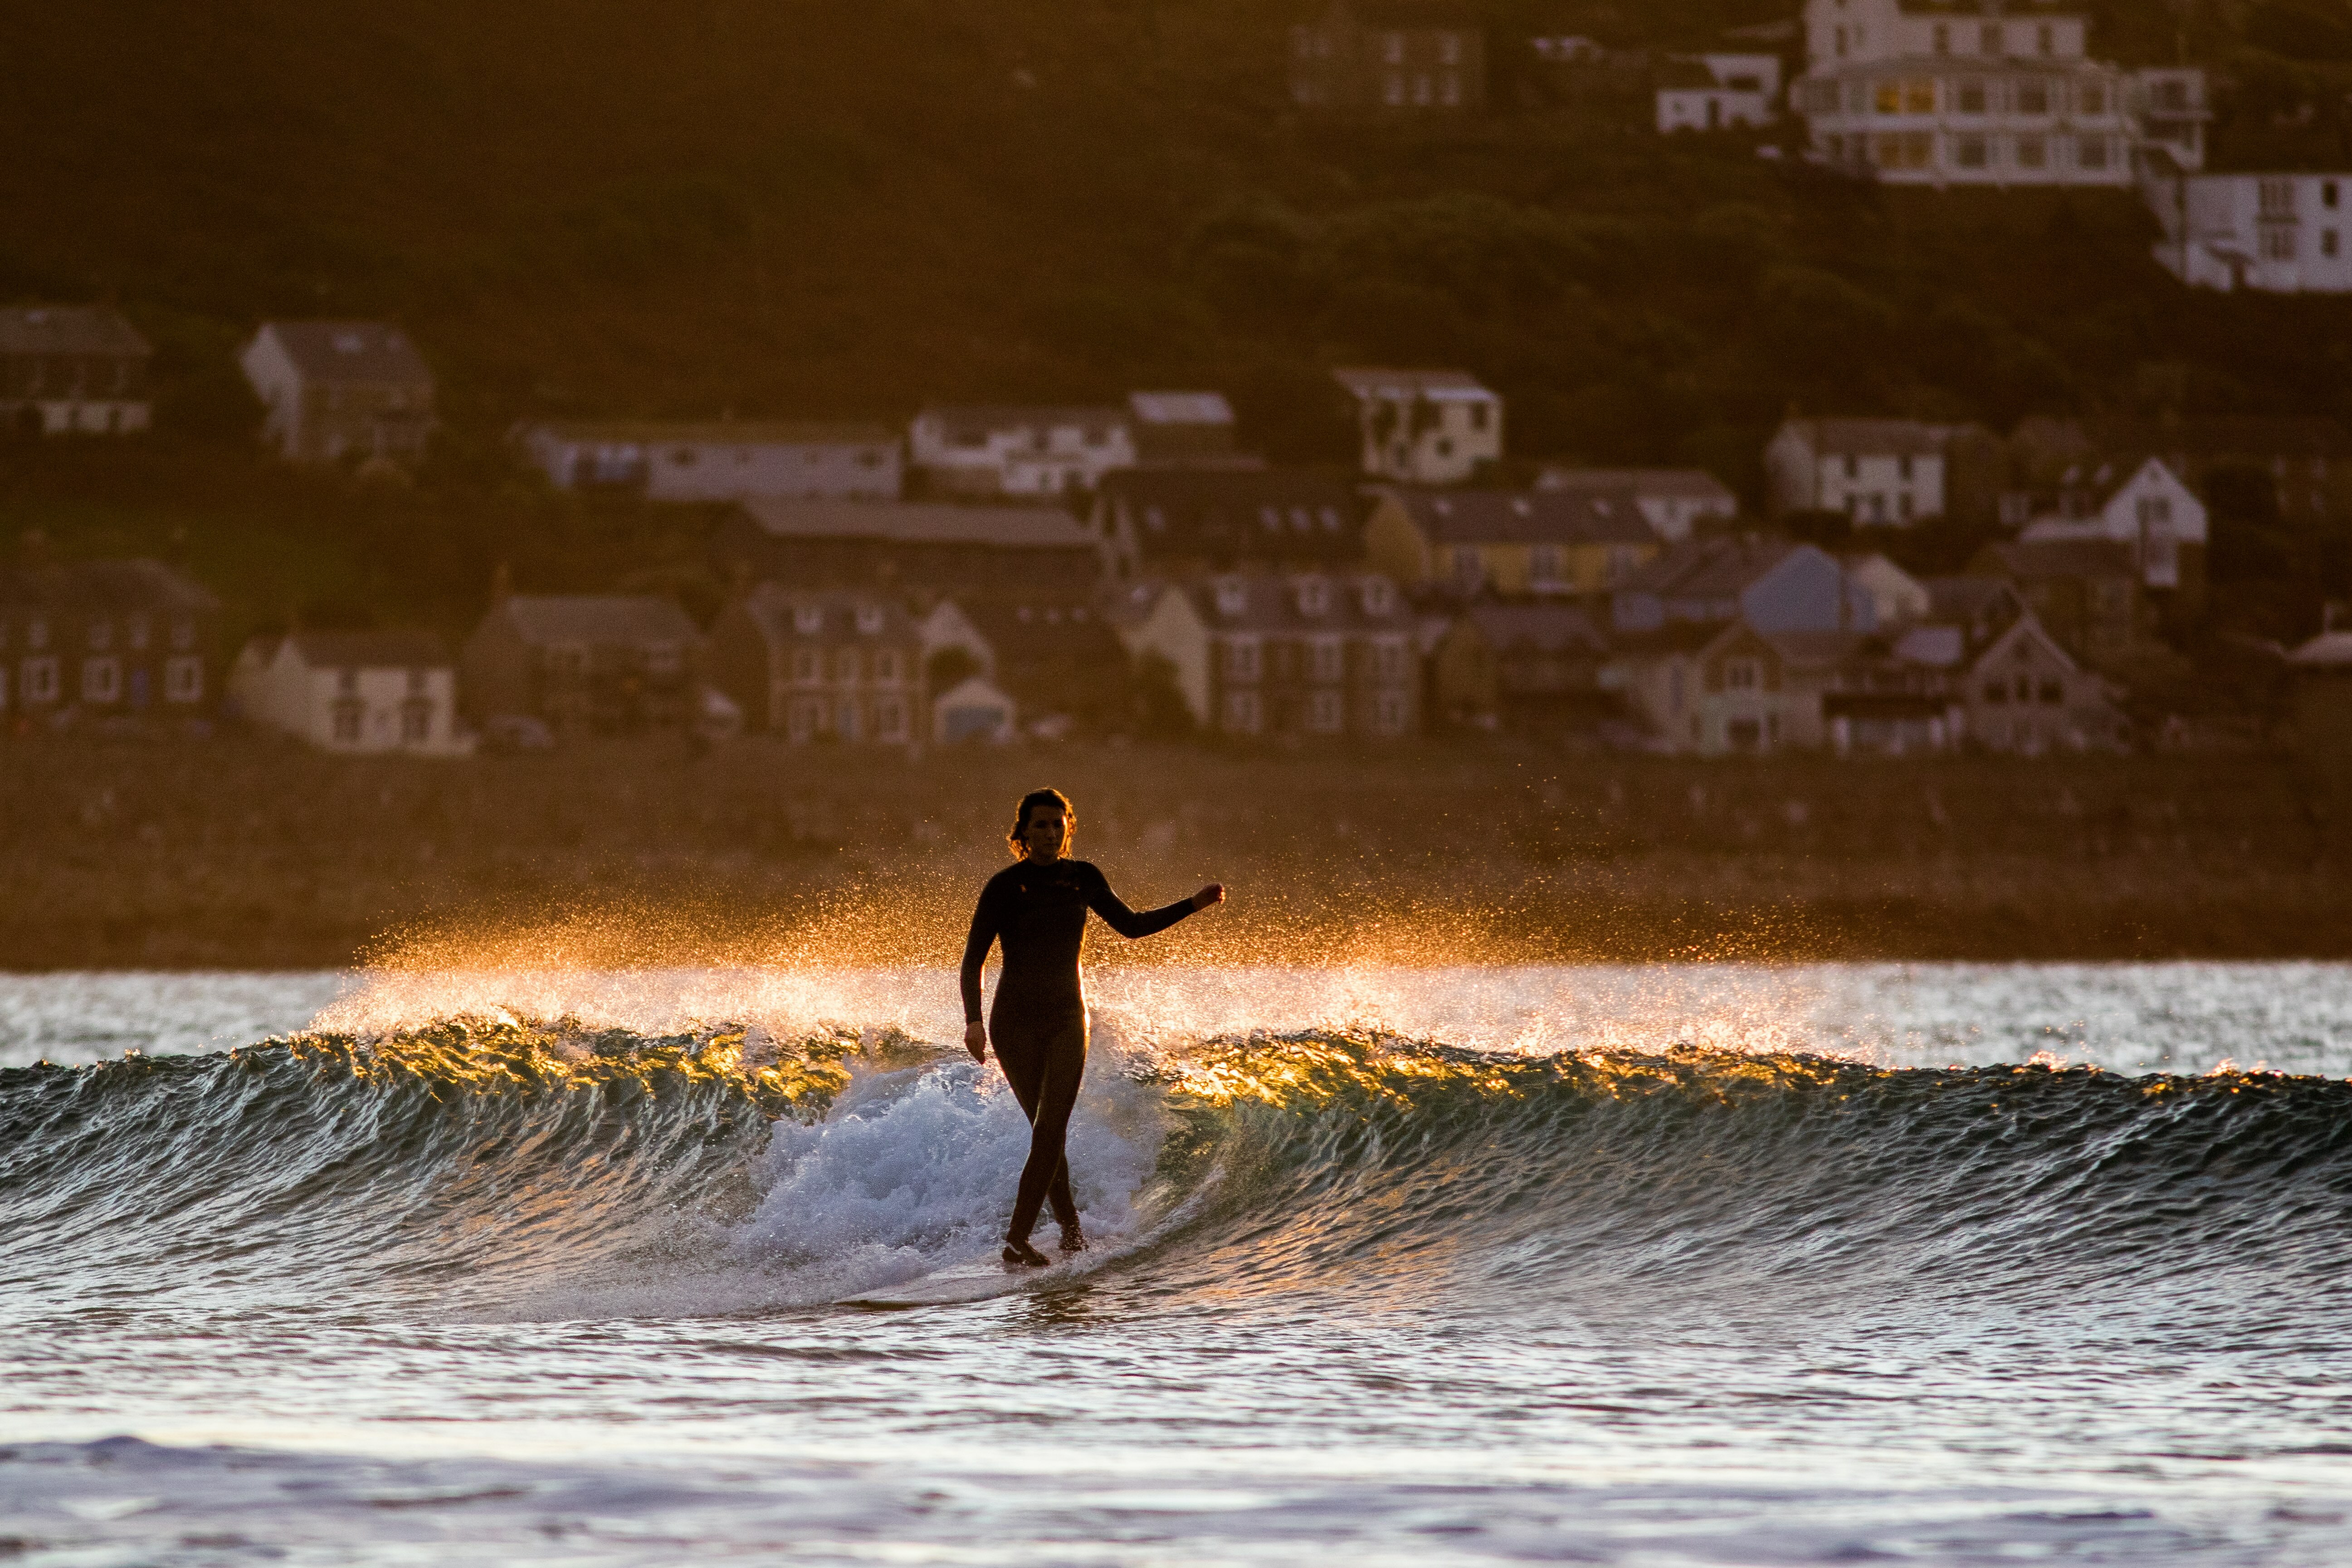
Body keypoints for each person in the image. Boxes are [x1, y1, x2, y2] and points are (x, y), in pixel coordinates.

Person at [961, 787, 1223, 1266]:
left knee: (1051, 1126)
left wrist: (1191, 904)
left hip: (1066, 1017)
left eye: (1056, 824)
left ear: (1068, 828)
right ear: (1022, 832)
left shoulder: (1082, 878)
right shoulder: (1004, 886)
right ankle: (1070, 1231)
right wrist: (973, 1022)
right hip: (1012, 1023)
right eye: (1038, 825)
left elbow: (1132, 926)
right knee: (1044, 1131)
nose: (1048, 833)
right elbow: (972, 959)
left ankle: (1018, 1238)